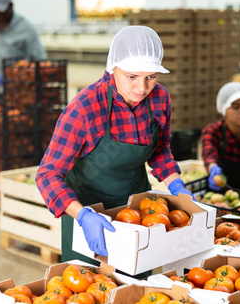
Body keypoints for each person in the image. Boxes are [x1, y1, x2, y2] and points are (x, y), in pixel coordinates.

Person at [36, 26, 194, 265]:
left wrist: (176, 185)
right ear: (113, 68)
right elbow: (48, 174)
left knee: (136, 284)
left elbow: (160, 148)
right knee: (86, 289)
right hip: (86, 209)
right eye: (131, 77)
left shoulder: (160, 98)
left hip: (138, 211)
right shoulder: (85, 108)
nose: (141, 88)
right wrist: (82, 215)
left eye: (151, 77)